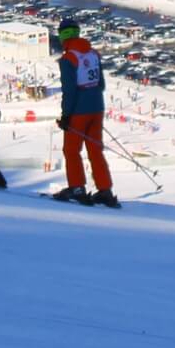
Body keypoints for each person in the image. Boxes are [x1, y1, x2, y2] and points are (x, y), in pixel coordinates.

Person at [51, 17, 116, 207]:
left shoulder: (68, 58)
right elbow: (101, 84)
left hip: (79, 111)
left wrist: (66, 115)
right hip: (97, 107)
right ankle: (105, 190)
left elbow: (69, 90)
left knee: (71, 150)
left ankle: (77, 187)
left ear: (63, 37)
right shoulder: (93, 54)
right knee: (95, 150)